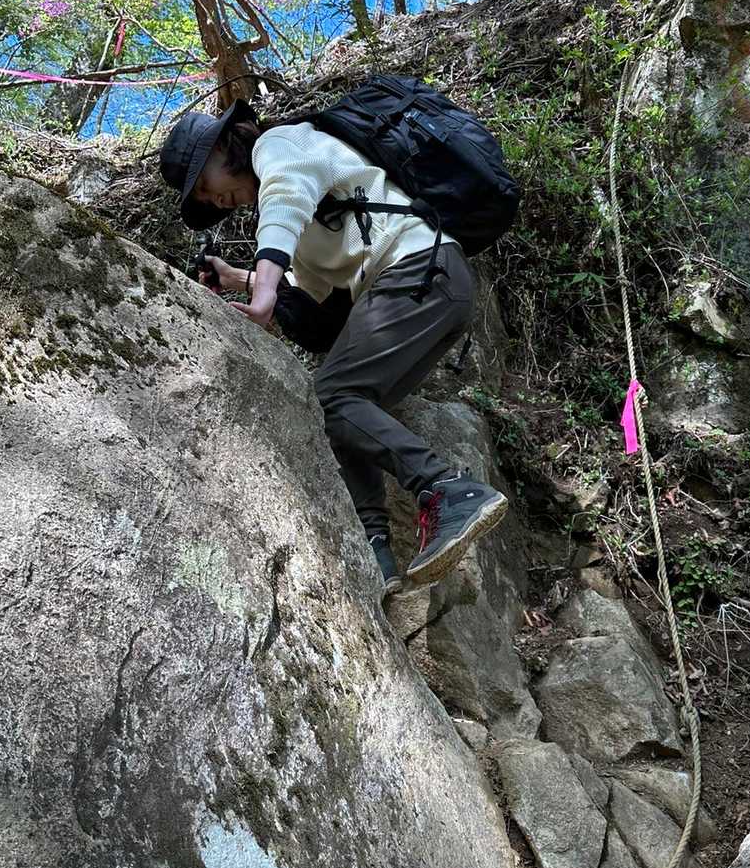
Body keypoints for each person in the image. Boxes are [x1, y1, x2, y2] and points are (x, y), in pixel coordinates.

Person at [159, 96, 509, 595]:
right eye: (203, 201)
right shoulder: (300, 223)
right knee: (345, 410)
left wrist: (263, 290)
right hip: (424, 285)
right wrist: (240, 279)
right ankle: (375, 551)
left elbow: (285, 197)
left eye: (203, 185)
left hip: (417, 270)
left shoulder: (279, 145)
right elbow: (313, 302)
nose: (213, 201)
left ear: (223, 148)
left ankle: (449, 490)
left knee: (333, 397)